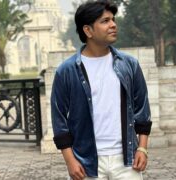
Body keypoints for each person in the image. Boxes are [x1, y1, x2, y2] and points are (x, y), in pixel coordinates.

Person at [51, 1, 152, 180]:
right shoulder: (66, 71)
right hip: (85, 162)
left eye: (113, 20)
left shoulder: (129, 65)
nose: (113, 25)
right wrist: (70, 161)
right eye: (105, 21)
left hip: (126, 161)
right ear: (88, 30)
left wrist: (142, 148)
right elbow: (59, 120)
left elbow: (142, 111)